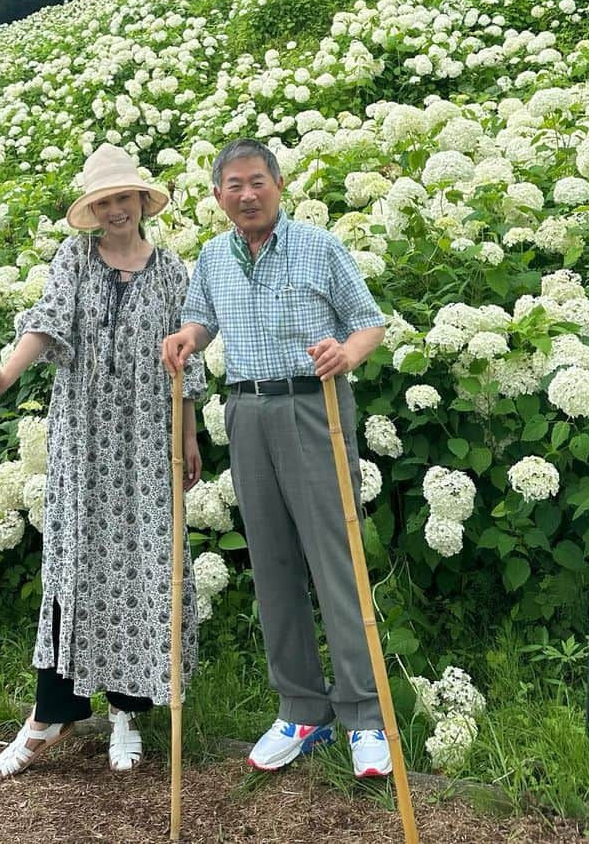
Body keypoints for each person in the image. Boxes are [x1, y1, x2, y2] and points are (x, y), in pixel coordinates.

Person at [162, 138, 393, 780]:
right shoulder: (211, 257)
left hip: (313, 404)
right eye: (233, 185)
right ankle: (301, 709)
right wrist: (188, 337)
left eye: (257, 181)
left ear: (279, 184)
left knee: (335, 558)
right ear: (217, 197)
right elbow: (201, 320)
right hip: (245, 410)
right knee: (271, 562)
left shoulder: (319, 245)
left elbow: (369, 322)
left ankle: (366, 716)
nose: (246, 194)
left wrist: (349, 354)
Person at [0, 142, 204, 777]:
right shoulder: (75, 257)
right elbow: (45, 325)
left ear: (141, 203)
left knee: (142, 568)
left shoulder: (173, 271)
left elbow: (188, 362)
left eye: (122, 198)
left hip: (145, 438)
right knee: (75, 564)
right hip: (84, 438)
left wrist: (187, 436)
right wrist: (6, 373)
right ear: (93, 211)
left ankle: (127, 714)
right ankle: (52, 712)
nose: (114, 211)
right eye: (103, 202)